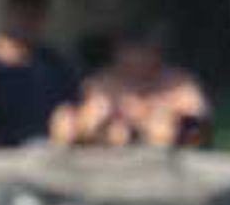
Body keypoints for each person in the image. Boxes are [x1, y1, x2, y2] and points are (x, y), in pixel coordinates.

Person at [52, 21, 213, 148]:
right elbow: (77, 124)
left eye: (144, 49)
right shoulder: (101, 82)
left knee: (160, 129)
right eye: (130, 49)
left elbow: (197, 128)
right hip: (106, 166)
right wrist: (87, 122)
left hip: (169, 167)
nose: (138, 58)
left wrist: (164, 119)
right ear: (117, 52)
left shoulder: (178, 82)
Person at [0, 0, 80, 146]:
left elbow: (71, 106)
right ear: (9, 13)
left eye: (36, 15)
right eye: (23, 14)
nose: (28, 22)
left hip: (49, 154)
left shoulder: (55, 64)